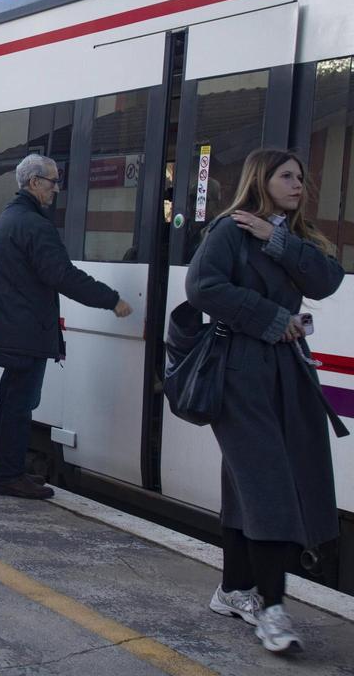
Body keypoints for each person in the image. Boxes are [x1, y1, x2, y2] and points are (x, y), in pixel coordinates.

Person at [185, 149, 346, 654]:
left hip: (286, 375)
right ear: (262, 179)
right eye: (287, 175)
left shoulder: (291, 237)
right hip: (240, 376)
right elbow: (202, 287)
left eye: (301, 175)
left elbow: (327, 280)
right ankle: (272, 609)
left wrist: (276, 240)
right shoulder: (228, 231)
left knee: (251, 485)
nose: (299, 183)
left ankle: (234, 590)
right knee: (270, 484)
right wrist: (273, 319)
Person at [0, 154, 132, 499]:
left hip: (15, 326)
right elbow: (62, 275)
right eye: (53, 182)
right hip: (27, 329)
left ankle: (5, 469)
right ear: (35, 182)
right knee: (20, 404)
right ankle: (9, 474)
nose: (56, 189)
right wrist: (110, 299)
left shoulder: (11, 217)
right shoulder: (34, 224)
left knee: (11, 401)